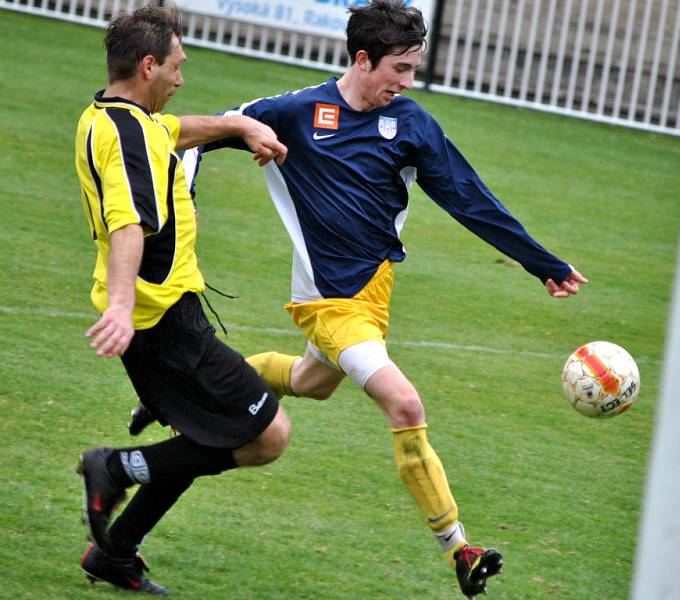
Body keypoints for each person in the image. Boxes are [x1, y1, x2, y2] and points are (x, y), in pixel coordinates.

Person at [136, 0, 587, 596]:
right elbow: (201, 135)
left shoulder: (414, 124)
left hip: (374, 300)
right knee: (405, 405)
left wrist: (541, 263)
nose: (405, 83)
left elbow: (467, 197)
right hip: (330, 304)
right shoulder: (297, 113)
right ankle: (460, 550)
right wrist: (180, 193)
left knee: (309, 381)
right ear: (362, 60)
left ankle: (191, 395)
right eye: (398, 69)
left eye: (413, 71)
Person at [74, 5, 291, 595]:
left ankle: (114, 553)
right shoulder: (130, 137)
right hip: (160, 323)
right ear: (149, 65)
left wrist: (239, 126)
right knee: (266, 434)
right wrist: (120, 306)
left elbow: (177, 130)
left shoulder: (112, 117)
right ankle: (115, 468)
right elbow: (128, 226)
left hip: (160, 318)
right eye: (176, 65)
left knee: (199, 440)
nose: (181, 77)